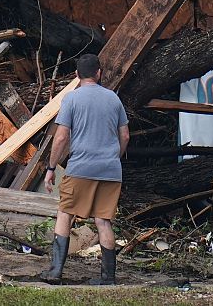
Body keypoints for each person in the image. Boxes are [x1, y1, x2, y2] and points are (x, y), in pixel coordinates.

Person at [39, 54, 130, 285]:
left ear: (77, 75)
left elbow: (61, 138)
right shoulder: (114, 99)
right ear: (99, 73)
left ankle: (55, 272)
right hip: (110, 170)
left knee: (65, 213)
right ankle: (108, 277)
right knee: (103, 221)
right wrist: (112, 157)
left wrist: (51, 167)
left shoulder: (71, 99)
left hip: (80, 168)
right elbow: (125, 135)